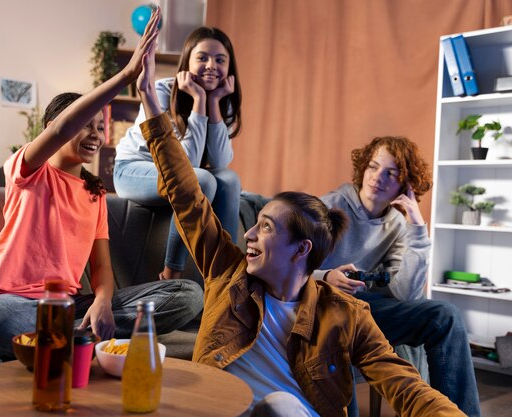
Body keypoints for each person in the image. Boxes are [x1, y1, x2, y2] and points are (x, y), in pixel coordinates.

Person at [135, 35, 465, 417]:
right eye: (256, 225)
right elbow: (186, 195)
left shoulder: (345, 314)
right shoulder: (228, 273)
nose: (249, 235)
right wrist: (147, 96)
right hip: (228, 410)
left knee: (282, 406)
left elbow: (405, 386)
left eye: (267, 227)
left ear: (301, 249)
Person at [0, 8, 203, 359]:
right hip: (12, 302)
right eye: (86, 124)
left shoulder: (95, 194)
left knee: (187, 295)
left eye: (100, 127)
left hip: (70, 307)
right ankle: (82, 341)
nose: (95, 135)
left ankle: (67, 338)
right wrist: (127, 74)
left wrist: (103, 303)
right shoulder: (27, 171)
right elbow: (62, 129)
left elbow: (102, 269)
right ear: (56, 123)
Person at [314, 136, 480, 417]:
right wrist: (325, 275)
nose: (377, 178)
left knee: (446, 314)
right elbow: (287, 263)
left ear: (406, 184)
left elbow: (406, 294)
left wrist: (416, 225)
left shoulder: (398, 225)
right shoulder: (327, 207)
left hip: (364, 307)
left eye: (390, 173)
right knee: (339, 325)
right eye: (373, 167)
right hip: (319, 302)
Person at [114, 26, 242, 281]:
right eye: (202, 57)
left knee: (229, 180)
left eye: (220, 60)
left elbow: (219, 161)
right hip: (133, 170)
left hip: (177, 175)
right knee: (201, 179)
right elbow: (185, 165)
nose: (211, 65)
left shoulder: (221, 98)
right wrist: (198, 101)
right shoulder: (163, 91)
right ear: (187, 62)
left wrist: (213, 103)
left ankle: (226, 276)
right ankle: (172, 271)